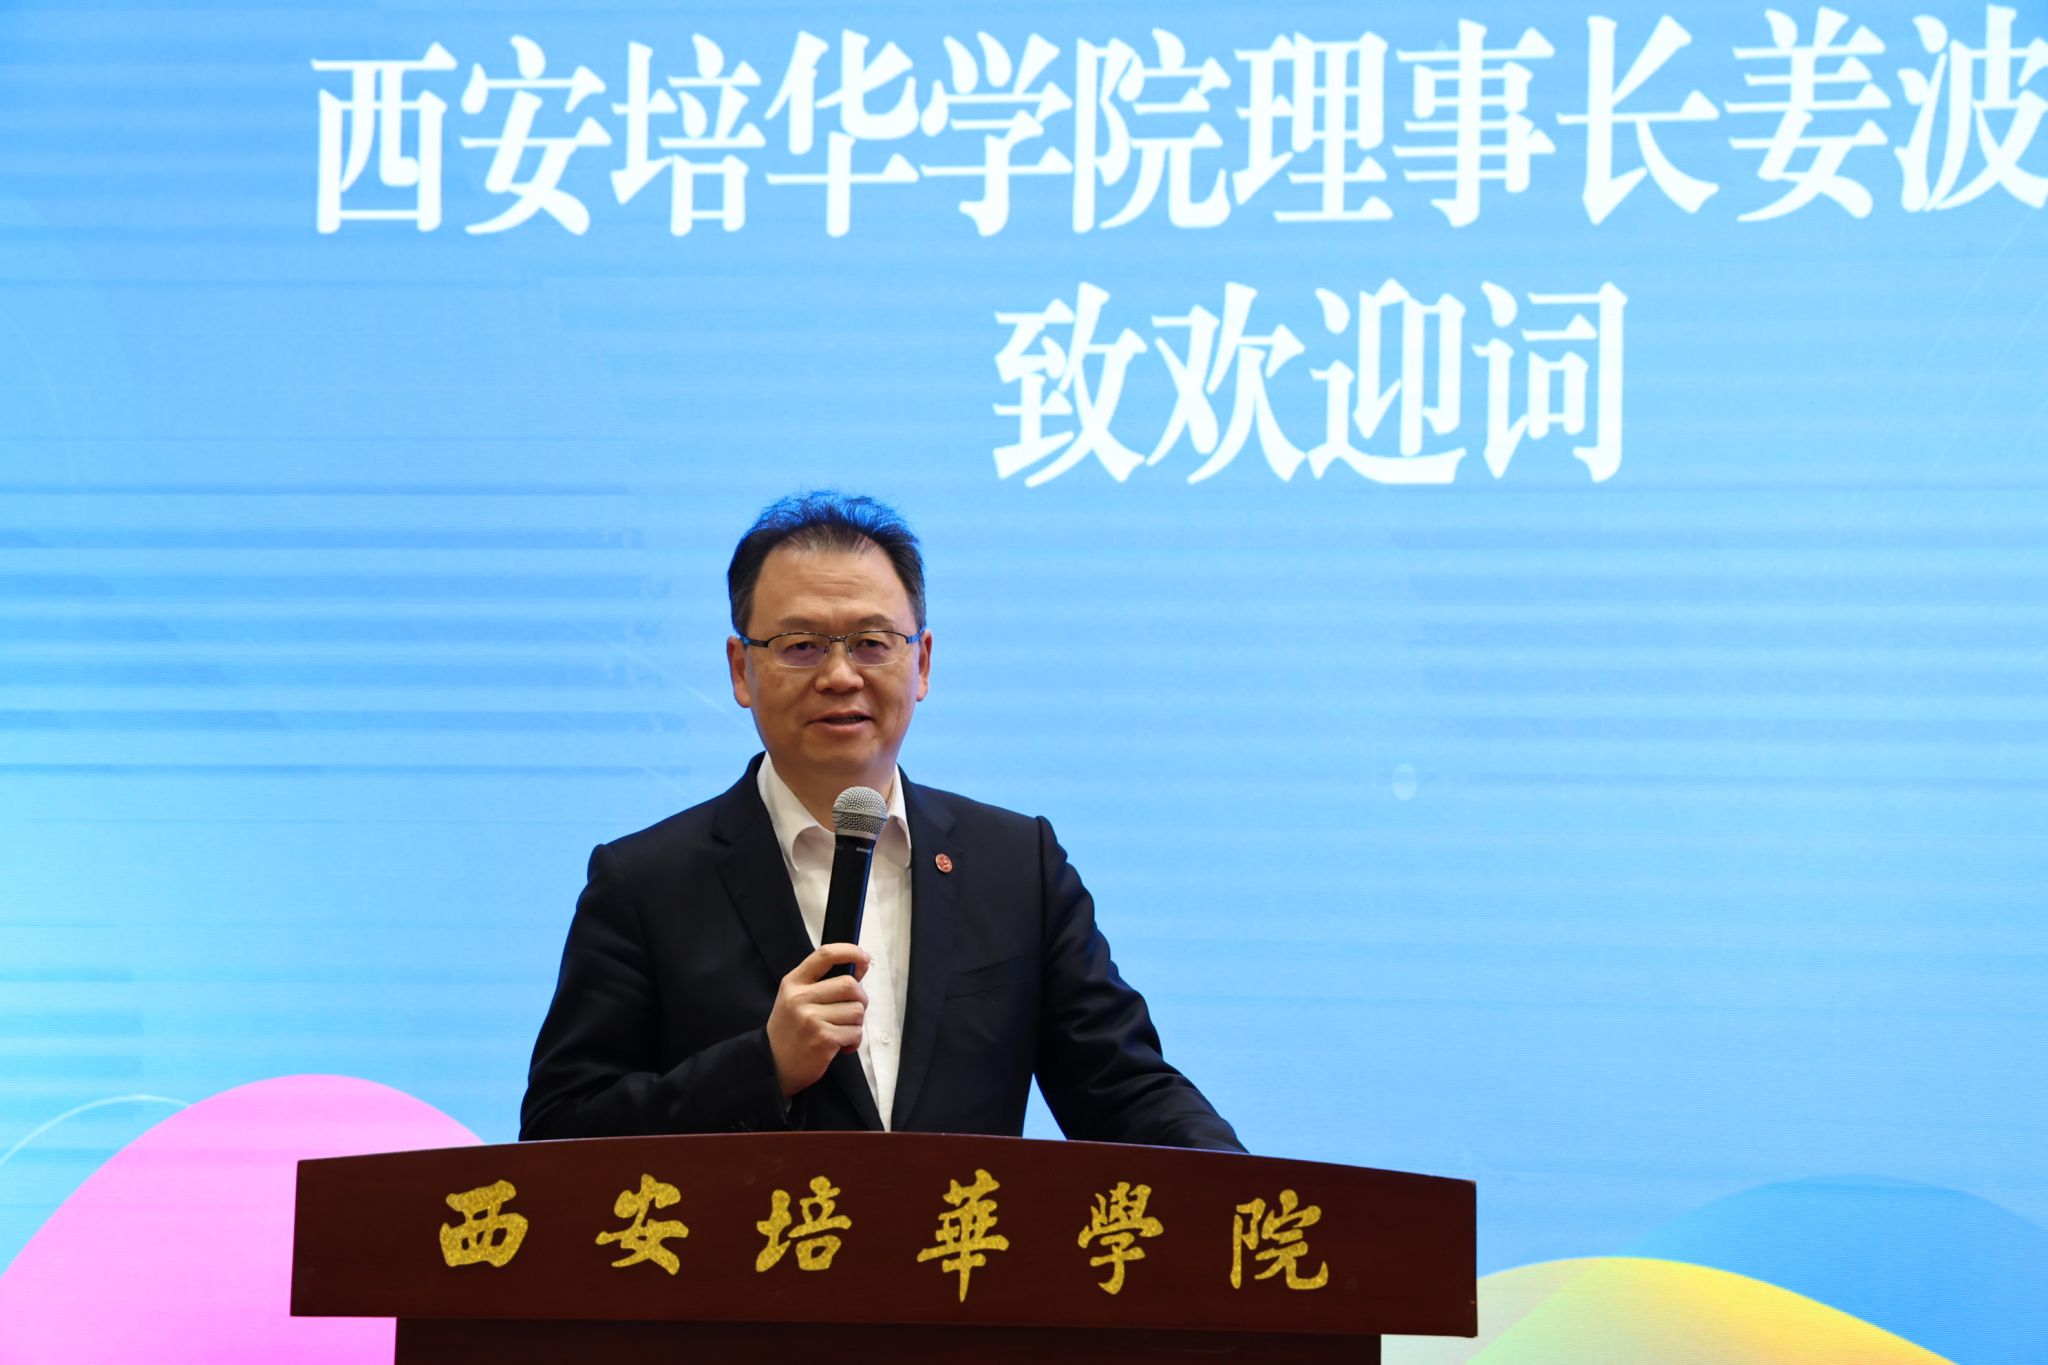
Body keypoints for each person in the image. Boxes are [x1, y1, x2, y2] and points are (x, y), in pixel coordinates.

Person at [520, 491, 1241, 1151]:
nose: (840, 676)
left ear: (921, 663)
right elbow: (560, 1131)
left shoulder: (1017, 865)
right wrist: (762, 1066)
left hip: (959, 1250)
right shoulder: (645, 883)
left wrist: (1257, 1195)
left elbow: (1124, 1089)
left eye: (871, 642)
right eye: (801, 645)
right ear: (741, 669)